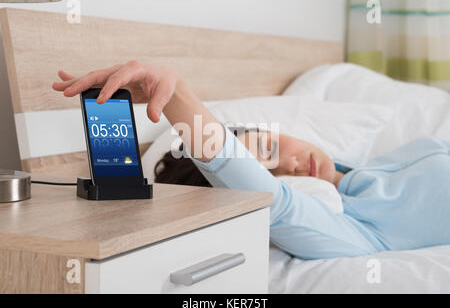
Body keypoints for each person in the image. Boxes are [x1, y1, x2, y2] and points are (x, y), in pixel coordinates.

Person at [53, 61, 450, 260]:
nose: (293, 168)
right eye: (273, 174)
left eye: (272, 151)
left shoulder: (380, 162)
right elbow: (273, 201)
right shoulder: (353, 230)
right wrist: (175, 95)